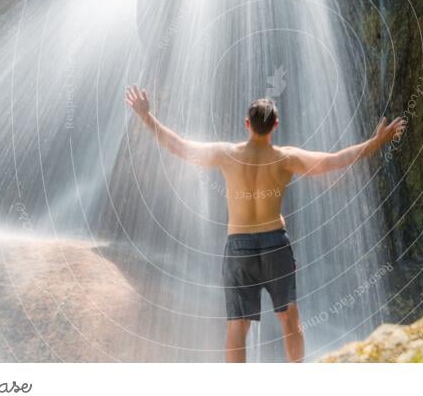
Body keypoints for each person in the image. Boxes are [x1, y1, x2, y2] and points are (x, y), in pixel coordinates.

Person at [124, 86, 406, 362]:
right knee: (289, 317)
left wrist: (146, 117)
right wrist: (376, 142)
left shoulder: (227, 153)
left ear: (247, 124)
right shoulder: (285, 158)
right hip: (275, 243)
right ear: (276, 125)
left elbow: (180, 147)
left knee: (238, 325)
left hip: (238, 246)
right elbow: (332, 162)